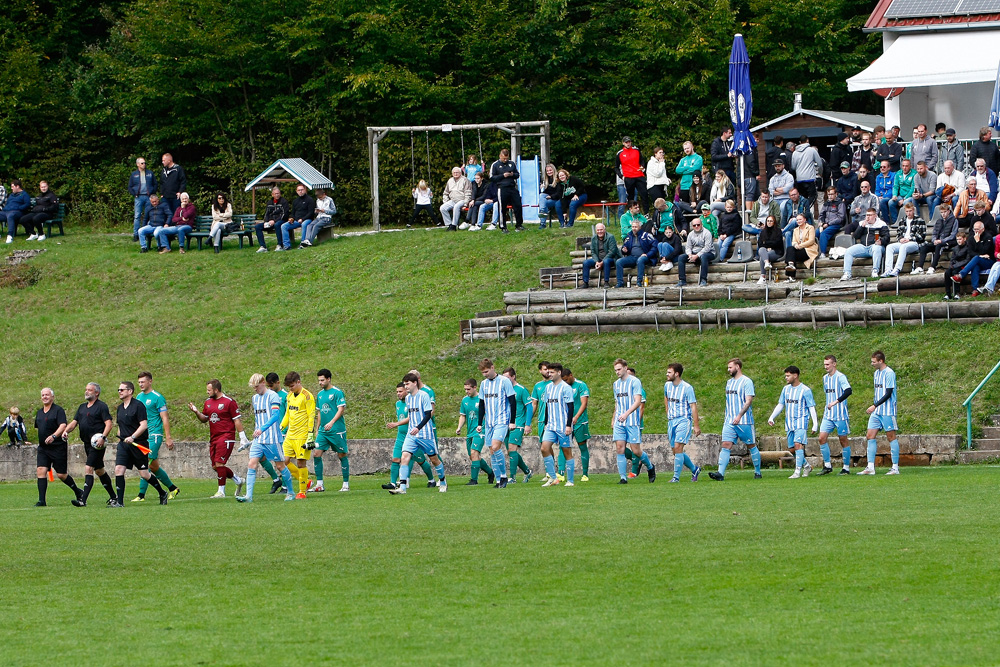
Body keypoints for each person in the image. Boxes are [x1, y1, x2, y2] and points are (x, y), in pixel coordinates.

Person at [238, 374, 296, 503]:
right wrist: (257, 430)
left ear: (263, 383)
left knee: (280, 466)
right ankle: (248, 496)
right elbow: (259, 417)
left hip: (272, 438)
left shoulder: (273, 396)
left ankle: (291, 492)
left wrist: (262, 429)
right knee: (251, 464)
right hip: (259, 439)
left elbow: (275, 416)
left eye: (257, 386)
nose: (255, 389)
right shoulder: (255, 398)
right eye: (253, 387)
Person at [389, 372, 447, 494]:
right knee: (404, 456)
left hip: (425, 433)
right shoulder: (408, 398)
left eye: (407, 384)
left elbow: (428, 415)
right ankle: (403, 487)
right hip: (412, 434)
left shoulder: (424, 396)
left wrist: (418, 427)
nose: (406, 387)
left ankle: (442, 481)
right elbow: (411, 415)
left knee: (434, 459)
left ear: (415, 383)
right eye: (404, 384)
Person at [188, 379, 247, 499]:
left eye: (209, 390)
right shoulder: (208, 402)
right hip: (214, 437)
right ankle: (238, 480)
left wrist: (242, 437)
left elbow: (236, 420)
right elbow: (204, 419)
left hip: (226, 436)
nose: (207, 392)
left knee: (220, 463)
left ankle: (221, 492)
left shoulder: (229, 402)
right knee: (216, 466)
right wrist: (196, 412)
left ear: (216, 390)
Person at [112, 381, 168, 506]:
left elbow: (144, 425)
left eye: (122, 389)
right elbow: (120, 426)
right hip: (124, 445)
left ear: (130, 391)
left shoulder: (138, 406)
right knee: (119, 470)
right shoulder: (120, 408)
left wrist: (132, 437)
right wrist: (120, 439)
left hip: (138, 444)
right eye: (119, 390)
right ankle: (119, 502)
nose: (119, 392)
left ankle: (162, 492)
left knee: (144, 473)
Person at [63, 383, 116, 507]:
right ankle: (114, 497)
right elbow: (74, 422)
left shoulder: (101, 406)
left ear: (96, 393)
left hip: (97, 444)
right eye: (86, 389)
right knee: (99, 471)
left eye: (89, 390)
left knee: (88, 468)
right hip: (86, 443)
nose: (86, 392)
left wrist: (103, 437)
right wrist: (66, 431)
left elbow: (108, 424)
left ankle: (83, 500)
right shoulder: (82, 407)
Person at [709, 358, 761, 481]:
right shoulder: (729, 382)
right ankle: (720, 473)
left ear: (737, 367)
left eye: (730, 367)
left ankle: (757, 472)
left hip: (744, 421)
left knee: (751, 445)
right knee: (726, 444)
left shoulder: (747, 382)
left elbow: (748, 401)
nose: (728, 370)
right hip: (729, 421)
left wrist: (739, 416)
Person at [132, 371, 180, 502]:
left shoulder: (157, 397)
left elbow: (165, 418)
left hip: (155, 435)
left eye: (143, 382)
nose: (141, 384)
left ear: (150, 381)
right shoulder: (138, 397)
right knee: (154, 467)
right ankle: (173, 488)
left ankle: (141, 495)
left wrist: (168, 437)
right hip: (144, 436)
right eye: (139, 382)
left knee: (145, 463)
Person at [33, 388, 83, 507]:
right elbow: (39, 427)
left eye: (47, 395)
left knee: (61, 474)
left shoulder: (58, 410)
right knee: (41, 470)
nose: (45, 397)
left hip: (57, 447)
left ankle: (78, 491)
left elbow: (63, 425)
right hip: (43, 448)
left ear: (52, 397)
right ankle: (42, 501)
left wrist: (54, 436)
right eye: (43, 395)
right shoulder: (39, 412)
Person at [382, 382, 436, 491]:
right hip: (401, 435)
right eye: (397, 391)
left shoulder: (411, 402)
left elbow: (411, 417)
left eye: (400, 391)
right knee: (396, 459)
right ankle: (393, 483)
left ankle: (431, 480)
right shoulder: (398, 404)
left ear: (407, 390)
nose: (398, 393)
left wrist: (397, 423)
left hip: (413, 436)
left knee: (420, 460)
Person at [767, 366, 818, 479]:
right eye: (785, 376)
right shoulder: (785, 389)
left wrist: (815, 423)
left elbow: (811, 407)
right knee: (792, 449)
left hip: (801, 422)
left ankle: (797, 471)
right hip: (789, 423)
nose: (786, 378)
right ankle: (807, 466)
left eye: (788, 375)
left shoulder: (805, 390)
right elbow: (781, 404)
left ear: (795, 375)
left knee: (798, 445)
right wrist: (772, 417)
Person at [611, 359, 654, 483]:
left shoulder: (635, 382)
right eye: (615, 370)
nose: (617, 372)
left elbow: (638, 401)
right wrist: (614, 418)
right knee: (620, 448)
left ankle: (650, 467)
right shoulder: (616, 384)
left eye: (619, 369)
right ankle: (623, 478)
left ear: (625, 368)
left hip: (631, 421)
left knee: (636, 450)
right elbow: (617, 403)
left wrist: (626, 414)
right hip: (620, 420)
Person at [476, 358, 515, 489]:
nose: (485, 374)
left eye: (486, 371)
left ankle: (504, 476)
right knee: (491, 450)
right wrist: (479, 423)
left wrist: (512, 421)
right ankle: (498, 480)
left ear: (493, 367)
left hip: (502, 420)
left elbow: (512, 401)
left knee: (495, 446)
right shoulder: (483, 384)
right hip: (489, 422)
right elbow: (481, 404)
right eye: (483, 373)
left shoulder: (504, 381)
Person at [275, 371, 314, 499]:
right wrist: (281, 427)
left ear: (298, 382)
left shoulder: (307, 396)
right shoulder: (290, 396)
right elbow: (287, 414)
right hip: (290, 435)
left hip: (302, 435)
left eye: (292, 386)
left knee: (300, 463)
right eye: (289, 387)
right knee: (284, 461)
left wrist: (310, 434)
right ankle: (306, 481)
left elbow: (311, 416)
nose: (290, 389)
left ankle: (302, 491)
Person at [860, 351, 900, 475]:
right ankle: (870, 467)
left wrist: (874, 405)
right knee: (870, 436)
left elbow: (888, 393)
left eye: (874, 362)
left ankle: (895, 467)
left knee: (891, 437)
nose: (872, 364)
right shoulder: (876, 374)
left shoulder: (889, 373)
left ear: (880, 361)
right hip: (877, 412)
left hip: (887, 411)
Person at [535, 362, 574, 487]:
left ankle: (570, 480)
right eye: (548, 372)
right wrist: (546, 423)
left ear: (559, 373)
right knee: (544, 448)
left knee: (566, 451)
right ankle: (553, 478)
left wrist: (568, 425)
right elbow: (546, 406)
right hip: (551, 425)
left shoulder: (566, 387)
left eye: (552, 372)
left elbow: (570, 407)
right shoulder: (548, 388)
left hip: (563, 425)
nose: (549, 374)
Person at [663, 363, 701, 483]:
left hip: (684, 420)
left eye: (669, 372)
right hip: (672, 421)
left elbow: (693, 406)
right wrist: (668, 412)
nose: (667, 374)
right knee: (675, 450)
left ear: (677, 374)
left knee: (679, 446)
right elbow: (666, 398)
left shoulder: (687, 388)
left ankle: (676, 477)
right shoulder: (667, 386)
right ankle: (694, 469)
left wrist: (696, 425)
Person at [312, 369, 349, 492]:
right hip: (323, 431)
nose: (320, 383)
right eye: (319, 380)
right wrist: (317, 429)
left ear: (329, 379)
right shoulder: (320, 394)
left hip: (337, 430)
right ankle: (320, 484)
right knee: (316, 454)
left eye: (322, 380)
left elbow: (341, 409)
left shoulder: (337, 393)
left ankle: (345, 484)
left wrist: (332, 422)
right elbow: (319, 412)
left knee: (341, 455)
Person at [819, 355, 853, 475]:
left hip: (840, 414)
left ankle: (846, 468)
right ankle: (827, 466)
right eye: (824, 364)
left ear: (834, 364)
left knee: (843, 440)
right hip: (828, 414)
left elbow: (848, 391)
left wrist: (836, 401)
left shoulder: (840, 377)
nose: (826, 367)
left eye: (828, 364)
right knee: (821, 438)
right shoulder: (825, 378)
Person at [456, 380, 493, 485]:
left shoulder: (482, 399)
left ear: (475, 387)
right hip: (470, 432)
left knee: (474, 453)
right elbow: (463, 415)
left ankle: (474, 480)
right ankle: (490, 472)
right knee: (472, 456)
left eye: (468, 389)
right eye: (465, 389)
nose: (467, 391)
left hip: (481, 430)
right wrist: (459, 427)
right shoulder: (465, 400)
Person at [501, 367, 533, 483]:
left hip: (518, 423)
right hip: (505, 424)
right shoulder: (503, 390)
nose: (505, 380)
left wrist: (527, 424)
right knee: (510, 452)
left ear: (513, 377)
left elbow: (529, 407)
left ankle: (512, 477)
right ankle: (527, 471)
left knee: (511, 449)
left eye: (507, 377)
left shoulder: (521, 390)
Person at [561, 367, 591, 482]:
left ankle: (585, 474)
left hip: (580, 422)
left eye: (566, 380)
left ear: (571, 375)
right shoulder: (562, 387)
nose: (565, 382)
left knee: (582, 446)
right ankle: (561, 473)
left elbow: (584, 403)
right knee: (564, 446)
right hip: (566, 422)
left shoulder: (581, 385)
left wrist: (576, 416)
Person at [840, 209, 887, 280]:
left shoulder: (881, 224)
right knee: (849, 251)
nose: (868, 217)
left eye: (870, 215)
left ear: (875, 216)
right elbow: (856, 236)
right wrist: (861, 227)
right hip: (863, 246)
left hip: (875, 246)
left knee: (877, 248)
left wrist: (881, 241)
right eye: (867, 215)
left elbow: (887, 237)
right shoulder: (862, 223)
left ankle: (875, 271)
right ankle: (847, 273)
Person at [882, 203, 926, 277]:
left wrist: (909, 239)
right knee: (889, 247)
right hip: (903, 242)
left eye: (910, 211)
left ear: (913, 210)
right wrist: (900, 239)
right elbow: (898, 234)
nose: (909, 213)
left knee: (904, 247)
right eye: (907, 211)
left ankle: (897, 269)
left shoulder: (920, 220)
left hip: (915, 243)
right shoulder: (902, 220)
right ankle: (888, 270)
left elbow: (922, 236)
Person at [953, 220, 994, 296]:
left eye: (977, 229)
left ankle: (961, 275)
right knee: (975, 265)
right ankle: (975, 289)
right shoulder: (971, 238)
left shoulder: (988, 237)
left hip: (989, 261)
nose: (976, 231)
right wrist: (980, 255)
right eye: (974, 229)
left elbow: (985, 250)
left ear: (983, 229)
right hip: (978, 260)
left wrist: (978, 241)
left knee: (976, 258)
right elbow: (971, 252)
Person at [616, 215, 658, 288]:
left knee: (640, 260)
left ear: (640, 227)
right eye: (632, 227)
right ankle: (620, 283)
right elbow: (624, 246)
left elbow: (655, 246)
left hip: (644, 256)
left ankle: (639, 282)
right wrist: (624, 250)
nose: (634, 229)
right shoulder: (629, 236)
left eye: (635, 227)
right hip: (632, 257)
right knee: (619, 262)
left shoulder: (646, 235)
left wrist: (647, 255)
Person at [675, 215, 715, 287]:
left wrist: (697, 256)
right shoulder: (690, 234)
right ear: (692, 226)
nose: (696, 226)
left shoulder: (707, 233)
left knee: (704, 257)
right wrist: (690, 254)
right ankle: (682, 280)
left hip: (708, 253)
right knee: (681, 257)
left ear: (701, 224)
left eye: (698, 225)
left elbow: (707, 248)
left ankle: (703, 280)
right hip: (694, 253)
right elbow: (688, 247)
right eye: (694, 225)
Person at [489, 148, 522, 232]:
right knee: (502, 208)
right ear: (500, 156)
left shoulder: (511, 163)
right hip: (502, 188)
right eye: (504, 158)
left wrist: (512, 174)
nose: (505, 160)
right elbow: (492, 177)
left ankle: (519, 225)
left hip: (512, 187)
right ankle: (503, 226)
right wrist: (503, 175)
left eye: (507, 158)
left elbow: (517, 174)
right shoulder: (495, 165)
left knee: (518, 205)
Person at [581, 222, 620, 288]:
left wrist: (601, 263)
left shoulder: (610, 237)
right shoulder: (594, 238)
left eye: (601, 229)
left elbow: (612, 252)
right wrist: (596, 262)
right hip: (598, 259)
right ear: (596, 231)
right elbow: (593, 251)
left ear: (604, 230)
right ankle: (585, 282)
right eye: (598, 230)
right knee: (586, 262)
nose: (600, 231)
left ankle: (606, 282)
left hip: (610, 259)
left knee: (606, 261)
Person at [530, 362, 551, 476]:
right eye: (545, 369)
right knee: (544, 447)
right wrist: (529, 420)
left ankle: (558, 472)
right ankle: (550, 472)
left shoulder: (555, 384)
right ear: (540, 371)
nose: (547, 371)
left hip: (553, 420)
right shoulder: (538, 386)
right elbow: (534, 404)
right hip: (541, 420)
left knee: (548, 446)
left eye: (548, 369)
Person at [616, 136, 648, 212]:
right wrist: (621, 176)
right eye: (626, 142)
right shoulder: (620, 153)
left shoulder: (636, 150)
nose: (628, 144)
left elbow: (642, 161)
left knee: (644, 194)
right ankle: (631, 213)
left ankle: (646, 213)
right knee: (631, 197)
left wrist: (642, 167)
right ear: (623, 143)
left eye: (629, 142)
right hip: (628, 177)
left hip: (639, 175)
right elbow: (616, 167)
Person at [129, 157, 158, 240]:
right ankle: (136, 234)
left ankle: (146, 233)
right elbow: (130, 186)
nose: (144, 164)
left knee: (148, 215)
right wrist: (134, 194)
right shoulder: (134, 174)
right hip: (138, 197)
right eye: (142, 163)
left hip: (148, 197)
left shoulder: (150, 173)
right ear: (137, 164)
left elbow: (155, 184)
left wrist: (152, 193)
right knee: (137, 216)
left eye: (144, 163)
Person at [784, 213, 819, 281]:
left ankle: (790, 275)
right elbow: (793, 241)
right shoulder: (795, 230)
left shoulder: (810, 228)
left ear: (805, 220)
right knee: (790, 249)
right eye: (797, 220)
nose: (798, 221)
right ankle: (791, 267)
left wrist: (800, 245)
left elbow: (811, 241)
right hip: (799, 249)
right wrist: (795, 245)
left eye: (800, 219)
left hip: (809, 250)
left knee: (791, 254)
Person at [280, 184, 315, 249]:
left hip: (307, 219)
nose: (300, 191)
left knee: (304, 224)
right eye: (299, 190)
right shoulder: (295, 201)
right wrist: (291, 218)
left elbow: (311, 213)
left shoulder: (310, 200)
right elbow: (293, 213)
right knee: (284, 226)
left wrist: (302, 219)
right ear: (296, 191)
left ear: (305, 190)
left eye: (302, 190)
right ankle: (287, 246)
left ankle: (303, 243)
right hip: (296, 221)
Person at [255, 186, 290, 252]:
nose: (277, 195)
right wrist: (266, 222)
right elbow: (266, 214)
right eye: (275, 194)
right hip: (270, 222)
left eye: (278, 193)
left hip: (280, 221)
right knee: (257, 227)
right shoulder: (269, 203)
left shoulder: (284, 202)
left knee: (277, 225)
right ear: (272, 194)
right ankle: (263, 246)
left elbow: (285, 214)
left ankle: (280, 245)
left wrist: (274, 221)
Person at [790, 135, 822, 205]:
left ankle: (802, 211)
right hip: (810, 178)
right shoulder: (812, 150)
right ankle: (805, 209)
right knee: (813, 196)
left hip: (799, 180)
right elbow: (819, 163)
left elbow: (793, 167)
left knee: (802, 198)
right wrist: (820, 173)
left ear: (799, 142)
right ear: (807, 140)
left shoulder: (795, 153)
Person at [440, 166, 473, 231]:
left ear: (460, 173)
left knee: (456, 207)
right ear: (452, 173)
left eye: (457, 172)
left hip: (462, 200)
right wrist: (446, 201)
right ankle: (449, 224)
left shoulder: (465, 180)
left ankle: (454, 225)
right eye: (454, 172)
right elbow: (445, 193)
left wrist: (466, 204)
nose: (455, 174)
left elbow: (468, 193)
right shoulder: (450, 180)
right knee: (442, 208)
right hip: (453, 200)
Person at [817, 186, 847, 256]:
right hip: (825, 224)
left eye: (831, 194)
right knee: (815, 233)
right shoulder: (826, 203)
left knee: (823, 234)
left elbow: (841, 218)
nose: (830, 196)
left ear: (836, 194)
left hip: (836, 225)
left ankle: (823, 253)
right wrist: (821, 222)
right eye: (828, 194)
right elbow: (821, 215)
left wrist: (828, 224)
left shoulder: (840, 203)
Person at [943, 230, 972, 300]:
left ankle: (957, 293)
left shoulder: (968, 247)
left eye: (960, 239)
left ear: (964, 239)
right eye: (957, 239)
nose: (958, 241)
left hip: (963, 266)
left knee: (955, 272)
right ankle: (948, 293)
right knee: (947, 273)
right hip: (955, 264)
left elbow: (967, 260)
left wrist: (955, 266)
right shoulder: (955, 248)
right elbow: (952, 258)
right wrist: (951, 266)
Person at [756, 215, 784, 283]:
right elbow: (760, 243)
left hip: (776, 251)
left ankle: (763, 277)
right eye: (768, 221)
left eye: (771, 221)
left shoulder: (778, 231)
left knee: (762, 257)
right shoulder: (763, 232)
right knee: (761, 249)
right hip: (766, 251)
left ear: (774, 222)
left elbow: (777, 243)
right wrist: (767, 246)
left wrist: (767, 244)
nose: (769, 222)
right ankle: (767, 263)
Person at [159, 153, 187, 219]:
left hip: (175, 197)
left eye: (164, 160)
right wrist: (162, 193)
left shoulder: (178, 169)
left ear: (169, 160)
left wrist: (180, 192)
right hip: (165, 197)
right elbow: (161, 182)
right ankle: (167, 227)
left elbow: (183, 181)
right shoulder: (163, 170)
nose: (162, 162)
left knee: (175, 213)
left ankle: (175, 227)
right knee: (166, 213)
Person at [539, 163, 560, 228]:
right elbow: (545, 193)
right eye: (547, 171)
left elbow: (559, 193)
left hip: (556, 199)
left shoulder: (558, 179)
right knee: (542, 195)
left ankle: (542, 224)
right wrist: (542, 188)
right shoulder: (546, 180)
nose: (549, 172)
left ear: (554, 170)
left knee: (543, 203)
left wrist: (551, 197)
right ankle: (542, 211)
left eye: (550, 170)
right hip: (548, 198)